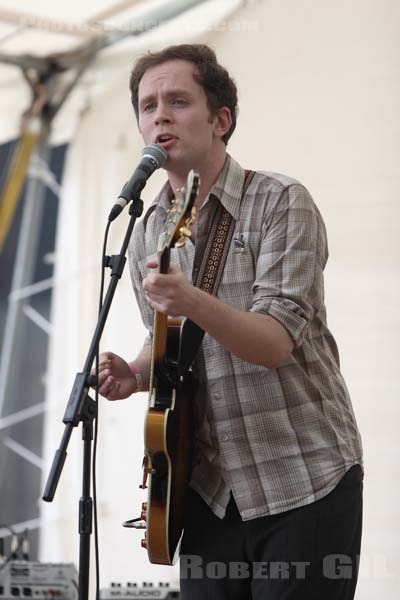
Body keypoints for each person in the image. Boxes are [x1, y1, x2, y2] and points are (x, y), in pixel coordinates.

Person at [97, 44, 363, 600]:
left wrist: (190, 299)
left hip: (301, 478)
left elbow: (272, 343)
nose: (159, 116)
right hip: (208, 488)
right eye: (147, 107)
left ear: (222, 120)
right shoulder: (146, 229)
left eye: (177, 101)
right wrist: (135, 372)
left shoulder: (281, 202)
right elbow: (166, 337)